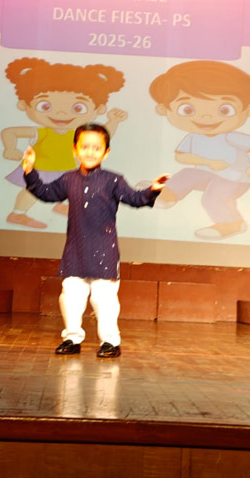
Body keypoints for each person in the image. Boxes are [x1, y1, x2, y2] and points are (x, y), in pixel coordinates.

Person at [21, 123, 169, 358]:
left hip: (104, 250)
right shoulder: (69, 179)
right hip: (75, 251)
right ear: (75, 150)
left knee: (104, 299)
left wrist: (153, 189)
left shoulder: (113, 180)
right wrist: (30, 171)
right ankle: (71, 338)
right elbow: (46, 193)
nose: (90, 152)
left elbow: (135, 198)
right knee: (71, 297)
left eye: (96, 148)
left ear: (106, 152)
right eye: (85, 146)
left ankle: (110, 342)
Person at [148, 60, 250, 240]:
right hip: (208, 174)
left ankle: (232, 223)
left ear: (249, 110)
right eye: (187, 109)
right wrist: (207, 162)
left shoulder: (230, 136)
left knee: (212, 198)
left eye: (224, 109)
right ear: (164, 109)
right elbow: (182, 157)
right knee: (187, 174)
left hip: (234, 178)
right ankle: (168, 196)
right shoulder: (193, 137)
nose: (206, 116)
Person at [2, 57, 128, 229]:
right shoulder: (43, 132)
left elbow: (102, 135)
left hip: (67, 169)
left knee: (73, 189)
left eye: (78, 108)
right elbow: (10, 132)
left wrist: (113, 121)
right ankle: (17, 214)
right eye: (45, 106)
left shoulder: (77, 133)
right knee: (31, 193)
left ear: (98, 109)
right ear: (24, 105)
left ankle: (61, 205)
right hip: (41, 169)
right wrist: (10, 148)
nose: (61, 113)